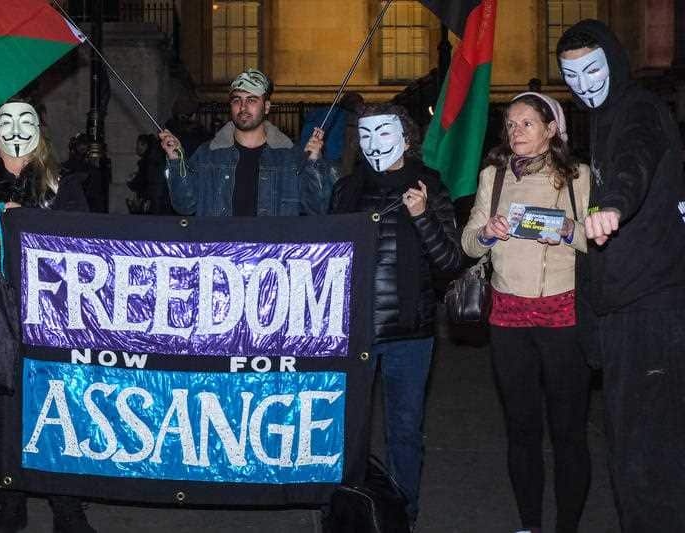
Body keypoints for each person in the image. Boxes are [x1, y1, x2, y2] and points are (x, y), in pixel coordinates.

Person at [0, 101, 96, 533]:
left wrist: (38, 226)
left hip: (53, 317)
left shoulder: (61, 183)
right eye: (5, 123)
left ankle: (67, 509)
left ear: (40, 132)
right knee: (1, 417)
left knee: (59, 413)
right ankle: (11, 504)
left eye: (25, 121)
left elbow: (90, 243)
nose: (16, 130)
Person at [557, 20, 685, 530]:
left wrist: (612, 205)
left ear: (614, 60)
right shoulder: (603, 120)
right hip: (627, 303)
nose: (585, 86)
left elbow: (636, 159)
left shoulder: (638, 111)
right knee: (630, 438)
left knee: (647, 446)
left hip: (651, 305)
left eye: (593, 70)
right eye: (572, 77)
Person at [461, 92, 591, 533]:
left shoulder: (577, 176)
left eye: (527, 124)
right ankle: (530, 524)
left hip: (562, 312)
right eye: (511, 124)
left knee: (568, 430)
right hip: (508, 315)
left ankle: (567, 525)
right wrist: (488, 234)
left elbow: (598, 240)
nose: (516, 132)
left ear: (551, 130)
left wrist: (567, 231)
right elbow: (468, 241)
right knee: (521, 429)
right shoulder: (492, 177)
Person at [332, 103, 462, 525]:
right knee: (348, 430)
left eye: (384, 134)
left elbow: (449, 261)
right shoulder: (347, 189)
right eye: (365, 136)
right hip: (356, 331)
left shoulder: (431, 186)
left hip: (410, 331)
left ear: (406, 139)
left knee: (404, 430)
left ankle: (403, 514)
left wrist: (422, 216)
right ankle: (349, 510)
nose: (374, 145)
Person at [159, 68, 332, 216]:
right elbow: (185, 205)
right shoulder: (208, 155)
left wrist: (314, 162)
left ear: (266, 107)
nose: (243, 107)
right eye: (237, 100)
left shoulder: (290, 158)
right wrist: (175, 160)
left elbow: (316, 208)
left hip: (271, 254)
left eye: (251, 100)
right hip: (221, 253)